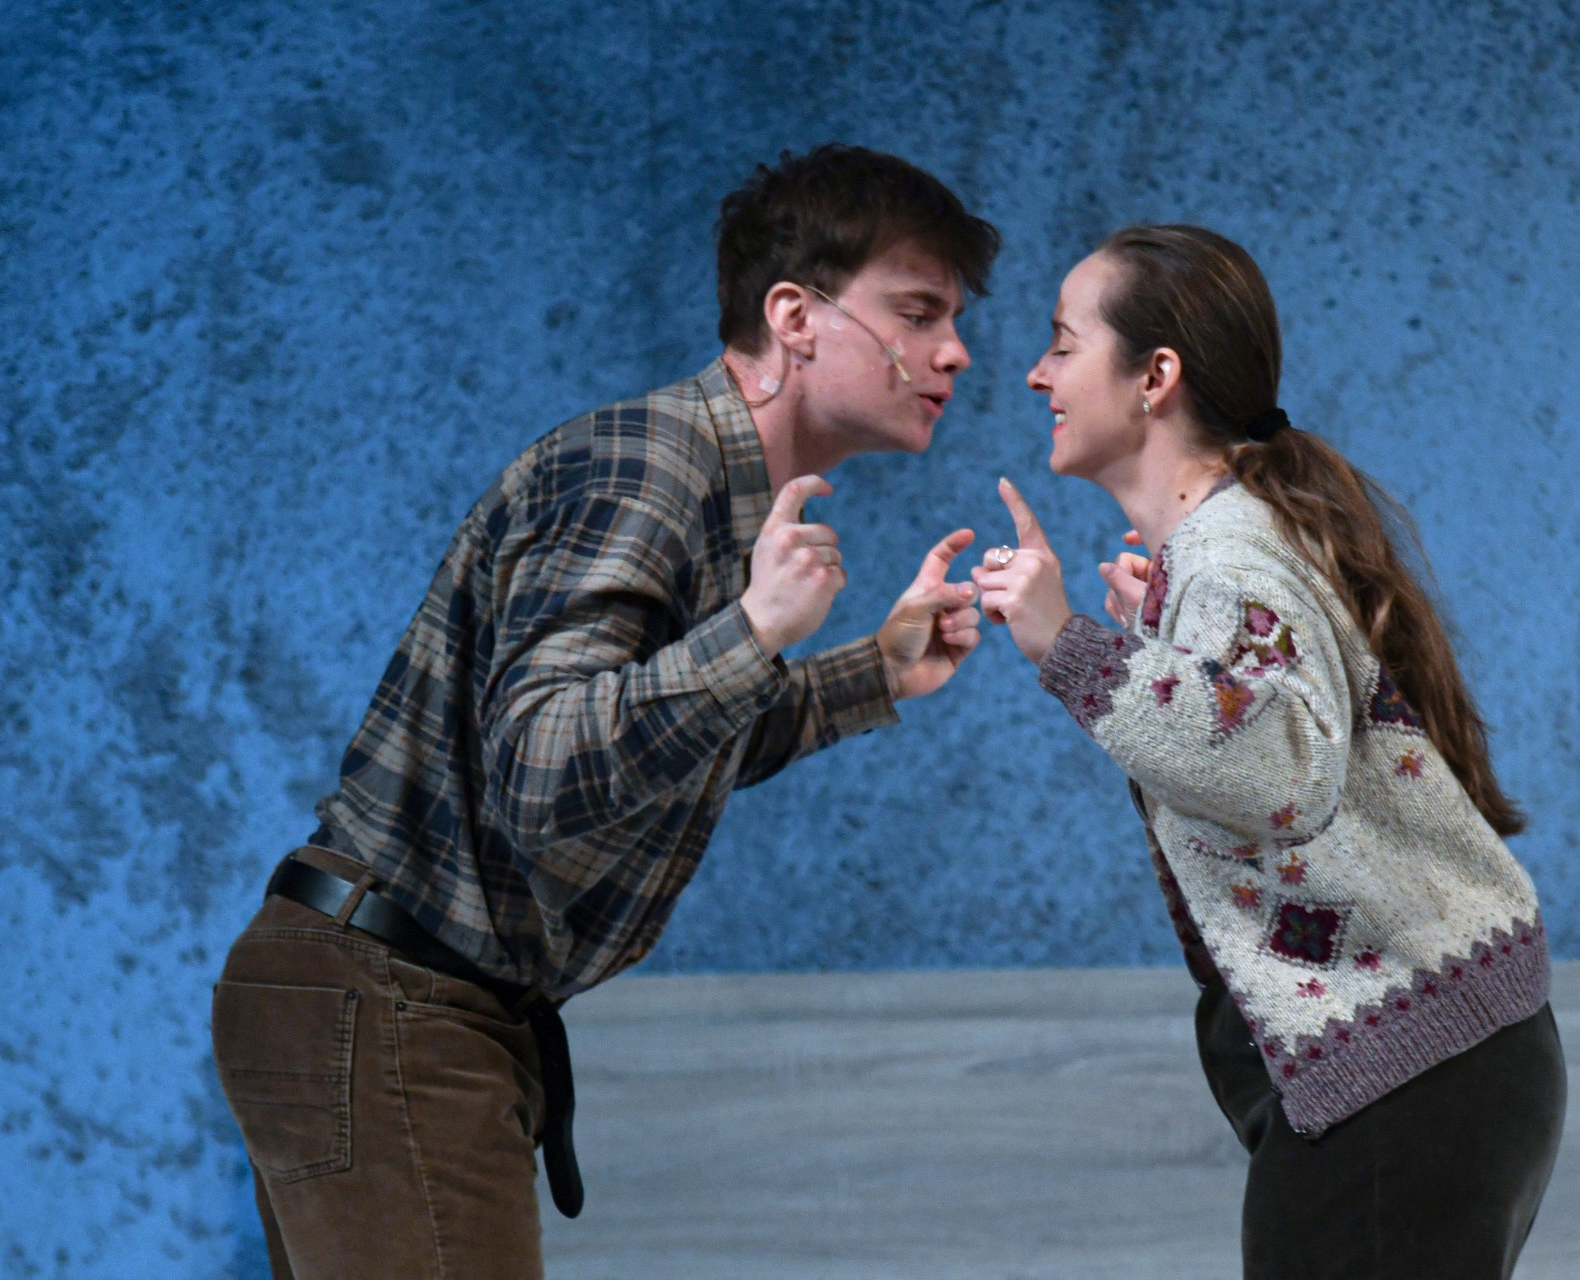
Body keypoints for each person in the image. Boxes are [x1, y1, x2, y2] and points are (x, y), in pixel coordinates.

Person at [209, 143, 998, 1279]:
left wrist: (872, 670)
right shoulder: (650, 466)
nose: (955, 350)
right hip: (392, 994)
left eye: (954, 319)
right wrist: (753, 632)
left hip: (398, 996)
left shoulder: (718, 486)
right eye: (918, 312)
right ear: (794, 316)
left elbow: (649, 749)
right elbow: (546, 769)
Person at [973, 225, 1565, 1279]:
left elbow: (1281, 775)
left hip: (1409, 1082)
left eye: (1063, 343)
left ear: (1156, 376)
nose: (1037, 373)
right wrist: (1165, 658)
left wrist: (1070, 646)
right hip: (1431, 1065)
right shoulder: (1226, 551)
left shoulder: (1229, 555)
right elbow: (1271, 740)